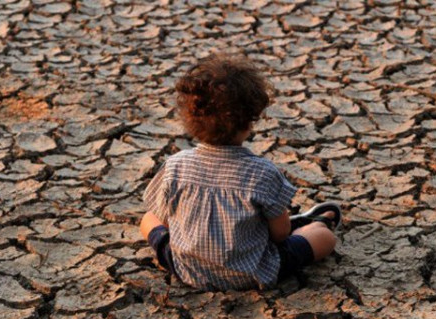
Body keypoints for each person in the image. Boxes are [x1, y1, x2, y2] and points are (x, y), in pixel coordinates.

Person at [139, 53, 340, 291]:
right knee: (324, 237)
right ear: (248, 123)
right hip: (252, 273)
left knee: (148, 218)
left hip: (186, 269)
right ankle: (311, 223)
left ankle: (294, 225)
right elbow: (280, 234)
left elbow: (165, 220)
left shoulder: (175, 166)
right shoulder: (263, 173)